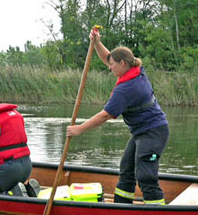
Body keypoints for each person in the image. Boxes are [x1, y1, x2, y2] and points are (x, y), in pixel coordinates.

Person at [67, 29, 170, 205]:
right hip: (141, 132)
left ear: (122, 63)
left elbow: (105, 115)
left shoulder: (126, 89)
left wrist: (78, 129)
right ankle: (122, 207)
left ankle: (159, 213)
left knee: (145, 176)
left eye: (112, 65)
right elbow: (108, 57)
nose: (109, 67)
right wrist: (97, 43)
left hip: (154, 132)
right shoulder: (135, 68)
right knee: (127, 170)